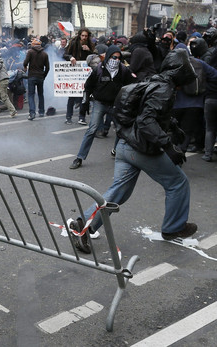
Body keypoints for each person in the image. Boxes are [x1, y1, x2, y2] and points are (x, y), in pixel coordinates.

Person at [68, 49, 198, 253]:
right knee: (177, 183)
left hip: (124, 145)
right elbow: (146, 120)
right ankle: (173, 227)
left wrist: (172, 125)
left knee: (118, 192)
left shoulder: (154, 81)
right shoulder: (164, 88)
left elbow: (146, 110)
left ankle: (83, 225)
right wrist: (167, 145)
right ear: (179, 72)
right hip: (141, 149)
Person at [69, 45, 134, 170]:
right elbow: (88, 86)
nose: (116, 60)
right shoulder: (98, 69)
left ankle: (115, 150)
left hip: (115, 105)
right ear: (108, 56)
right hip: (99, 103)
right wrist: (85, 102)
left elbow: (131, 85)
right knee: (92, 129)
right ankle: (79, 157)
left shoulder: (123, 70)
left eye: (119, 58)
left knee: (121, 130)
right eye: (114, 57)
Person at [63, 28, 95, 125]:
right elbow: (65, 54)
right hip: (74, 72)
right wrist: (70, 57)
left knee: (83, 97)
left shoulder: (90, 45)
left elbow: (94, 57)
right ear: (79, 35)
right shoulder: (73, 43)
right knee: (72, 96)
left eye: (86, 36)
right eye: (83, 36)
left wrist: (89, 51)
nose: (84, 38)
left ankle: (82, 117)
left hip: (84, 74)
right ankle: (68, 117)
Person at [23, 38, 50, 120]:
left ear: (33, 45)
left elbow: (25, 63)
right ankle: (41, 111)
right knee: (40, 94)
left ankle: (32, 113)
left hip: (31, 76)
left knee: (31, 95)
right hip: (40, 77)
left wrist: (25, 67)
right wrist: (43, 76)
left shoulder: (30, 52)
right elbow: (48, 68)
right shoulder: (45, 54)